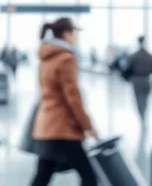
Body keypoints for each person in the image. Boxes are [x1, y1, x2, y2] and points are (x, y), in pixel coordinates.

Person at [30, 17, 98, 186]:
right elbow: (73, 97)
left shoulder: (45, 58)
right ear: (67, 34)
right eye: (73, 32)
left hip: (46, 126)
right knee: (89, 177)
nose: (74, 36)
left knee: (43, 175)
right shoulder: (66, 59)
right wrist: (88, 126)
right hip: (63, 127)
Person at [125, 35, 152, 124]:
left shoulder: (133, 56)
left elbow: (128, 68)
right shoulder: (150, 56)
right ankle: (144, 113)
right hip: (147, 79)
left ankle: (141, 115)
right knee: (145, 98)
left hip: (136, 79)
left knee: (138, 98)